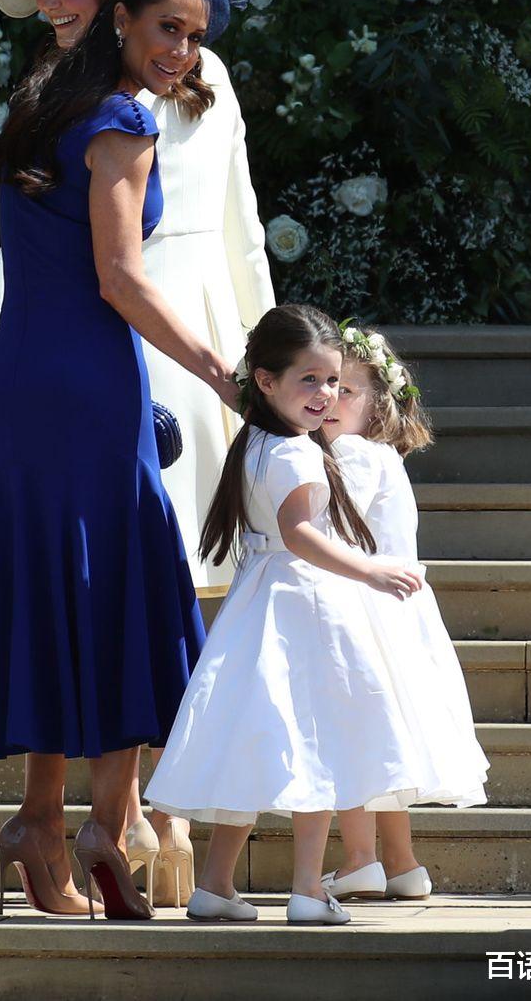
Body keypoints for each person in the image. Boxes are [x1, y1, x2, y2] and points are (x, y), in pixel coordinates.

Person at [0, 0, 274, 906]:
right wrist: (227, 374)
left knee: (53, 582)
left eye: (193, 34)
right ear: (123, 17)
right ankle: (102, 828)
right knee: (123, 585)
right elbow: (121, 279)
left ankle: (43, 823)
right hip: (92, 370)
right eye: (166, 28)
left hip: (29, 379)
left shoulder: (40, 100)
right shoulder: (121, 121)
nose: (180, 49)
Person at [145, 304, 450, 925]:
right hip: (308, 602)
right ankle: (309, 889)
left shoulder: (256, 440)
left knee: (252, 739)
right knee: (316, 742)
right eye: (309, 379)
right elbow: (301, 532)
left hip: (258, 602)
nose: (326, 394)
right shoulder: (300, 453)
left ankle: (216, 885)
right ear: (265, 380)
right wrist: (370, 568)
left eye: (334, 381)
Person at [320, 324, 489, 902]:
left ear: (376, 407)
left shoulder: (350, 454)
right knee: (384, 743)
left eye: (347, 390)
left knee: (353, 736)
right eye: (324, 384)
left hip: (362, 607)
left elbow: (331, 533)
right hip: (396, 612)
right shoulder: (381, 456)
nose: (330, 399)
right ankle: (402, 863)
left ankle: (361, 857)